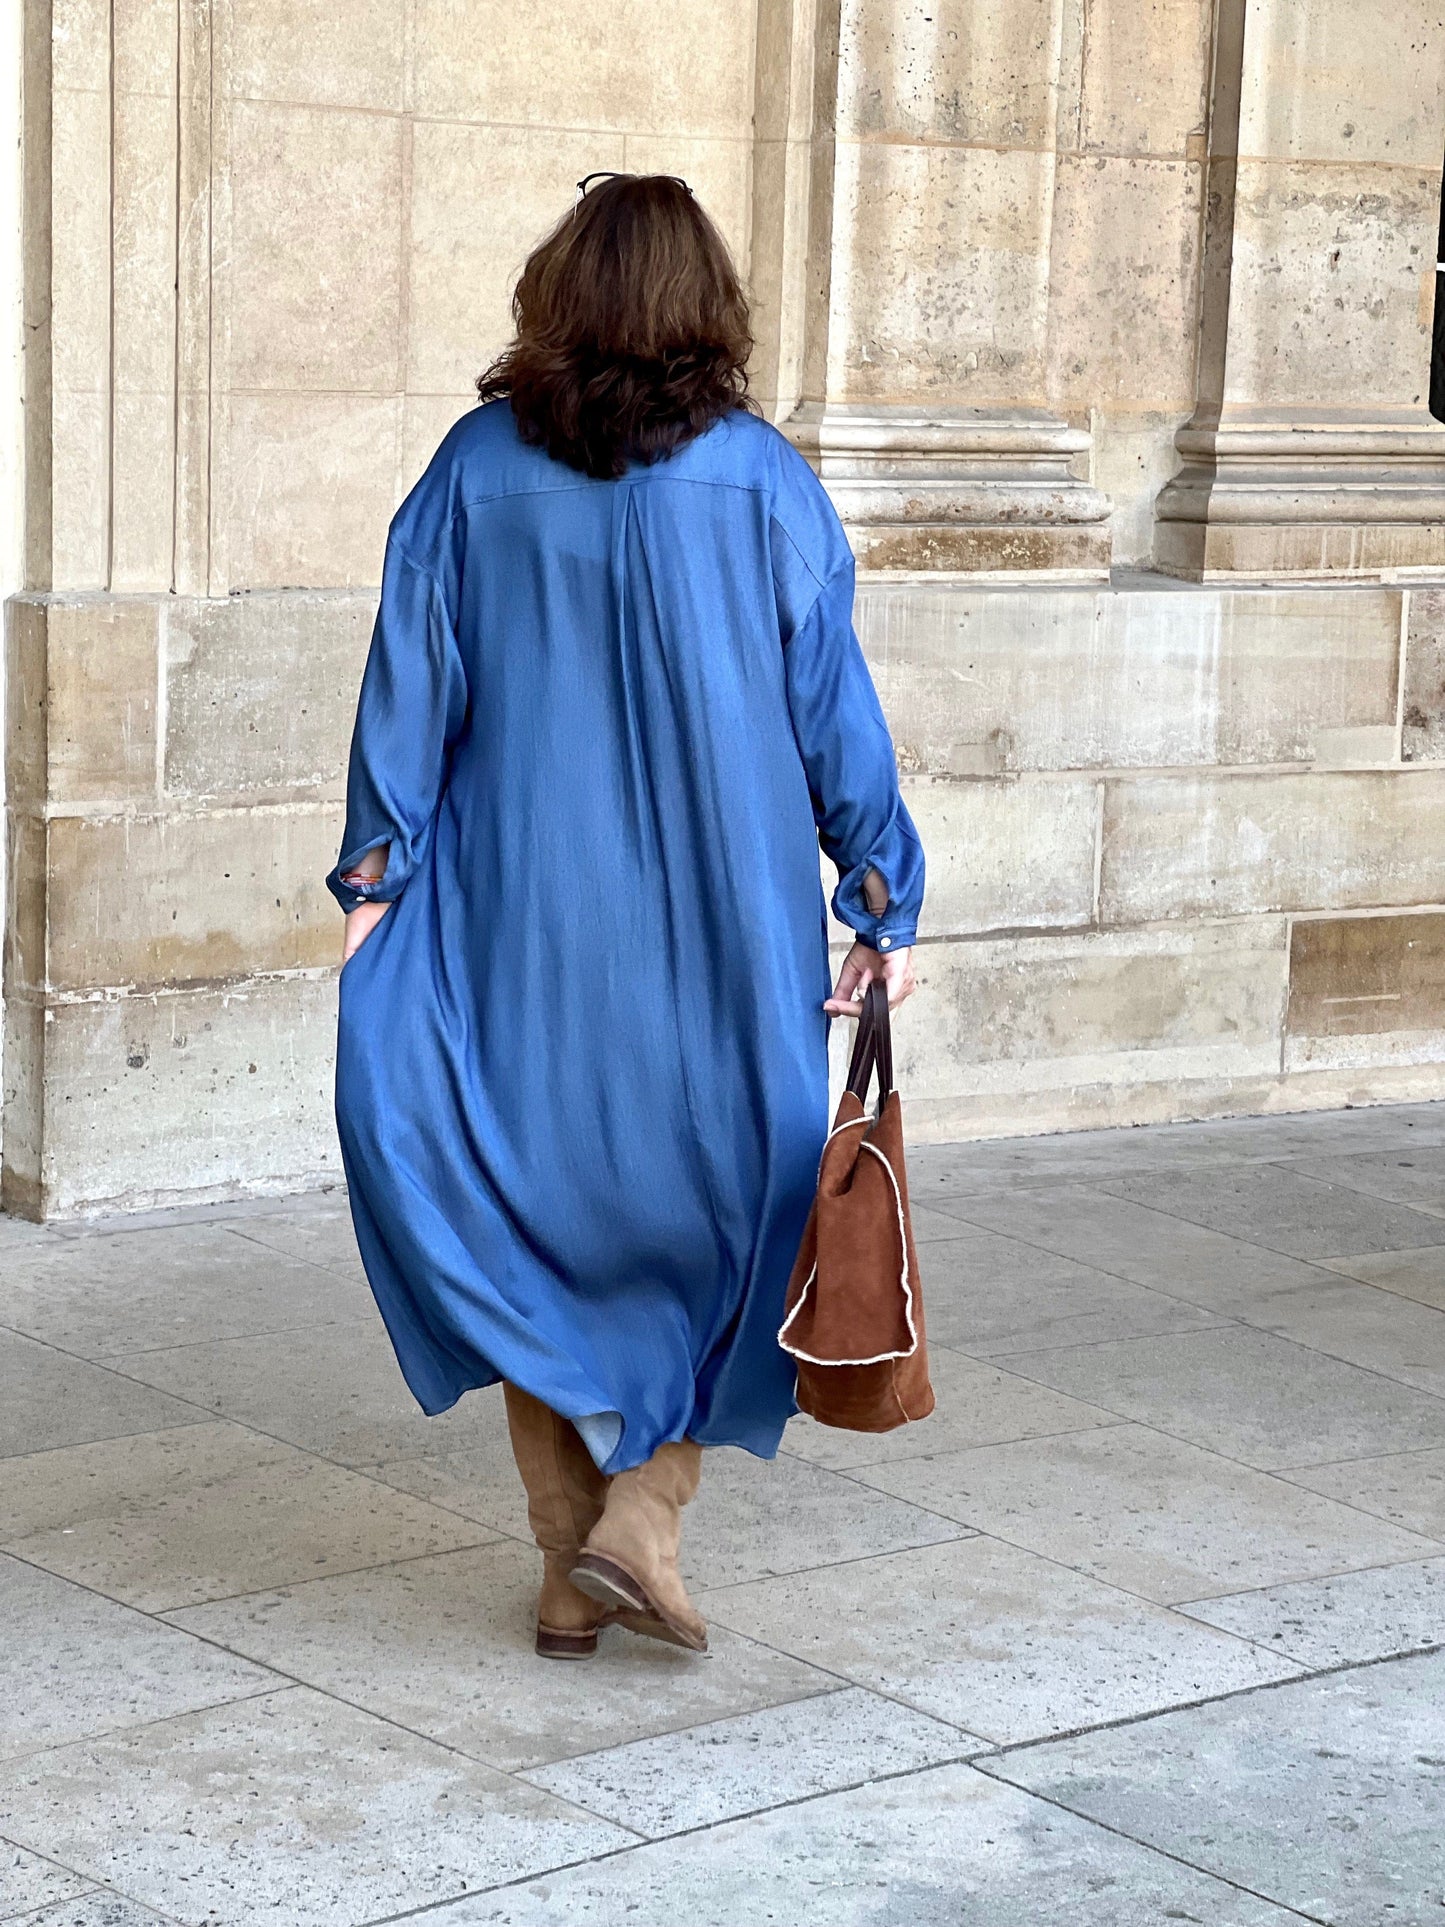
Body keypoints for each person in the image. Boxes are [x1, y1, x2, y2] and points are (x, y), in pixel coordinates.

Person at [327, 172, 924, 1661]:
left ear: (557, 295)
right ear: (705, 307)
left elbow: (410, 684)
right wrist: (879, 890)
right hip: (725, 932)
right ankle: (642, 1515)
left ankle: (565, 1564)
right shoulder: (765, 480)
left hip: (516, 922)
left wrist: (373, 874)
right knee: (739, 1212)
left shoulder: (470, 472)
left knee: (531, 1215)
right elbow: (830, 710)